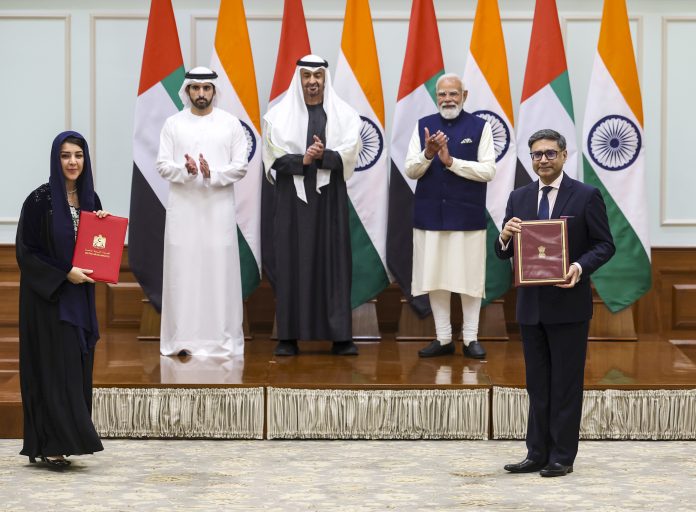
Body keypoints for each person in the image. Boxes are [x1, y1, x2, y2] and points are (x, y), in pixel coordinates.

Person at [496, 129, 615, 477]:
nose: (543, 160)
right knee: (537, 384)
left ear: (564, 155)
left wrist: (579, 267)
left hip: (568, 305)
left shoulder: (586, 195)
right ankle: (536, 453)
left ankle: (562, 456)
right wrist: (503, 237)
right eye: (537, 154)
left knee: (565, 384)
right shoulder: (518, 197)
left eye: (550, 153)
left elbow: (605, 245)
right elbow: (503, 253)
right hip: (530, 308)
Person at [16, 131, 108, 467]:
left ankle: (68, 441)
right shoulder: (39, 201)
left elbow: (96, 249)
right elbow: (27, 253)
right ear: (56, 159)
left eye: (78, 155)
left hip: (78, 300)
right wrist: (64, 272)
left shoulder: (91, 199)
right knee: (53, 369)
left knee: (75, 368)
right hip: (48, 301)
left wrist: (103, 227)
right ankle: (49, 444)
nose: (72, 162)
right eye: (65, 155)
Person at [262, 54, 362, 356]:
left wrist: (324, 156)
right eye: (307, 75)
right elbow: (272, 158)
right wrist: (303, 159)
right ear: (299, 79)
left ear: (325, 78)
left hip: (330, 199)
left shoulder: (344, 115)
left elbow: (350, 154)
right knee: (291, 261)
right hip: (291, 202)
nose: (312, 81)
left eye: (318, 75)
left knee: (334, 261)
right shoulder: (278, 117)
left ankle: (340, 336)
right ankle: (288, 337)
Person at [157, 66, 249, 357]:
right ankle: (182, 339)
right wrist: (185, 170)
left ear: (214, 91)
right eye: (195, 88)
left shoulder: (230, 124)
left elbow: (241, 166)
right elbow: (162, 165)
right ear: (187, 90)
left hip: (218, 212)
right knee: (182, 273)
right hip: (183, 212)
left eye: (206, 88)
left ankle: (221, 339)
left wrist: (212, 173)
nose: (200, 93)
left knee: (219, 274)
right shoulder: (173, 124)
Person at [405, 73, 496, 360]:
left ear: (464, 96)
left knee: (469, 279)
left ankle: (470, 338)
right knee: (436, 278)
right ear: (436, 97)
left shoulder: (480, 127)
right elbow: (411, 170)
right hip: (430, 216)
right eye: (442, 94)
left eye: (453, 94)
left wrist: (451, 162)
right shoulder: (423, 126)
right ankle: (443, 338)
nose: (448, 99)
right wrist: (428, 154)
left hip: (467, 217)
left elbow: (488, 171)